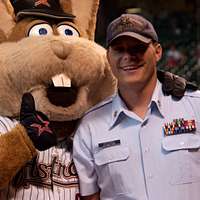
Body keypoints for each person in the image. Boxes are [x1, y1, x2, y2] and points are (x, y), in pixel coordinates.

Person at [73, 13, 200, 200]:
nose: (128, 56)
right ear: (108, 56)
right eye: (119, 49)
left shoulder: (194, 106)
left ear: (157, 51)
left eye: (137, 48)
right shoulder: (90, 126)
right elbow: (90, 197)